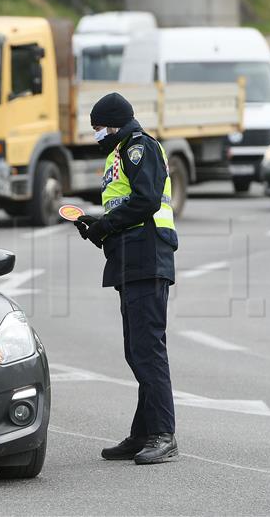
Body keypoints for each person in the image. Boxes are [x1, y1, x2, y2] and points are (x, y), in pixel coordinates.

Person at [75, 92, 180, 465]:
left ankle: (163, 435)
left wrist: (108, 224)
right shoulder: (118, 152)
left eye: (99, 126)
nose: (96, 134)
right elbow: (123, 206)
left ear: (115, 123)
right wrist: (98, 226)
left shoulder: (139, 148)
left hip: (147, 256)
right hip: (131, 258)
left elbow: (148, 200)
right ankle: (142, 434)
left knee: (148, 350)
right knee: (137, 350)